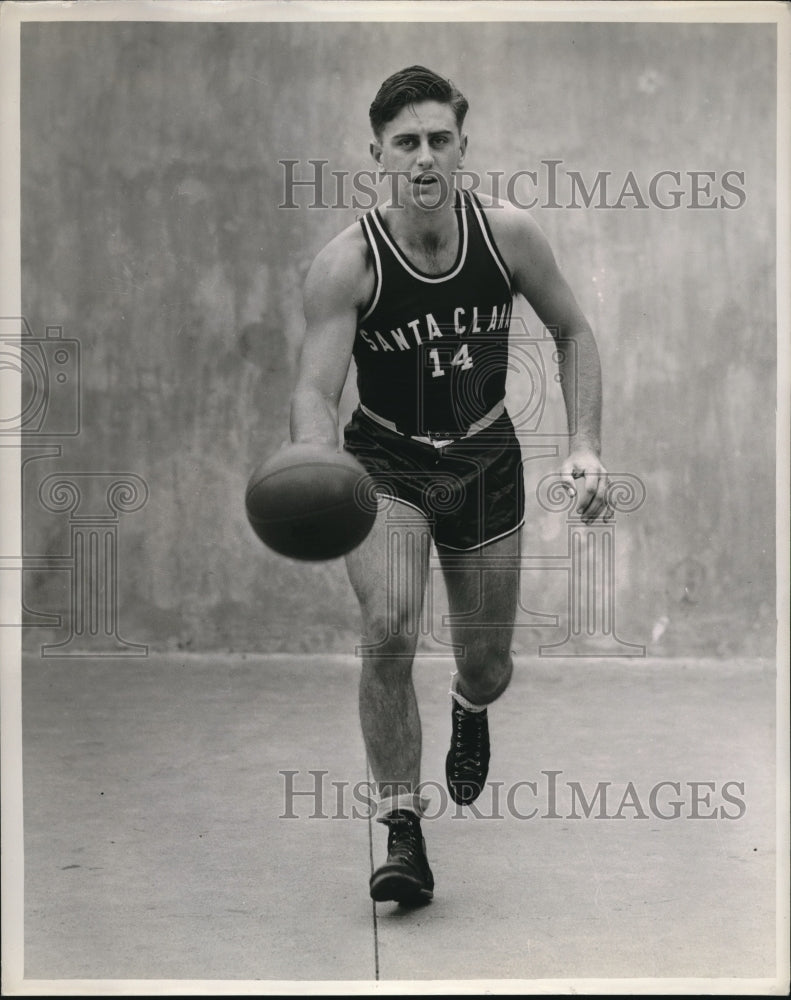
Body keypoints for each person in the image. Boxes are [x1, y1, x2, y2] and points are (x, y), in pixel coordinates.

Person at [289, 65, 610, 904]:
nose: (423, 158)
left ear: (462, 148)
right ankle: (401, 831)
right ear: (378, 155)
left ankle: (470, 706)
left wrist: (582, 446)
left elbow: (573, 331)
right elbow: (314, 390)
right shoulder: (347, 262)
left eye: (439, 140)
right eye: (406, 144)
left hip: (482, 460)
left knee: (490, 662)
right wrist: (317, 465)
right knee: (388, 626)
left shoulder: (508, 236)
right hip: (386, 461)